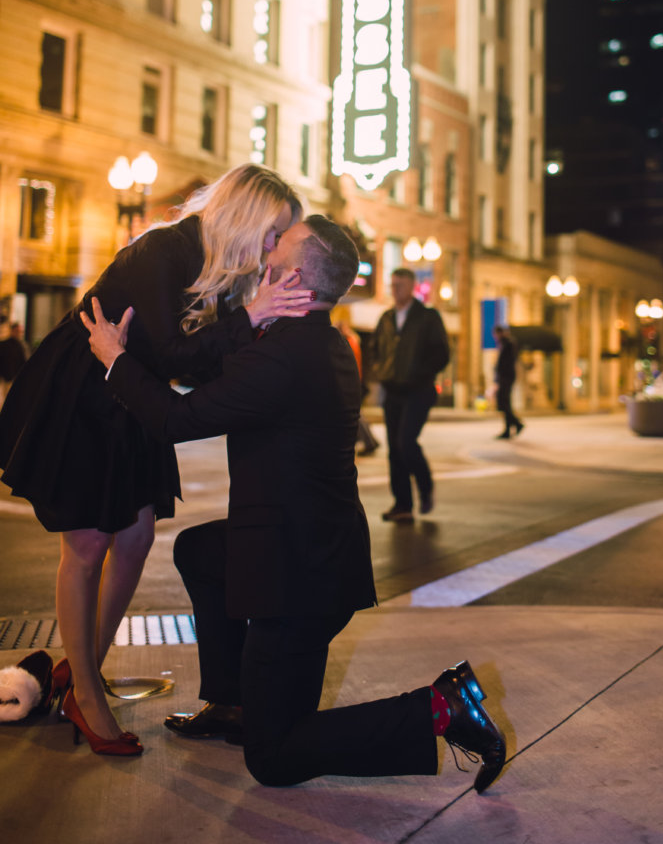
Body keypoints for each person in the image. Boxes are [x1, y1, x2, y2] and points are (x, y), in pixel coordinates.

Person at [81, 215, 506, 792]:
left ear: (297, 272)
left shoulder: (285, 357)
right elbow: (212, 368)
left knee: (274, 756)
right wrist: (245, 315)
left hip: (298, 584)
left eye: (281, 239)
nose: (269, 242)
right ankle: (233, 702)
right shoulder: (304, 342)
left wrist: (114, 358)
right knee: (202, 551)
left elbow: (175, 419)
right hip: (309, 556)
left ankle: (440, 709)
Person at [0, 163, 312, 756]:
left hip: (130, 396)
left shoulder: (218, 272)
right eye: (273, 233)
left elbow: (195, 365)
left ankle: (80, 670)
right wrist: (251, 319)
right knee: (88, 545)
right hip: (85, 391)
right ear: (245, 218)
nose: (274, 248)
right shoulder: (164, 251)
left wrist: (258, 338)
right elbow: (172, 352)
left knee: (137, 537)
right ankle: (86, 690)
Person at [372, 268, 450, 522]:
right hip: (392, 389)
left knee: (406, 443)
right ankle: (403, 505)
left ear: (413, 287)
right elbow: (375, 349)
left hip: (419, 390)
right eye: (393, 285)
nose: (396, 290)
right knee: (394, 449)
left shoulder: (427, 317)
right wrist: (380, 370)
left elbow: (442, 353)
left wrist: (420, 374)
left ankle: (425, 489)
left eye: (401, 285)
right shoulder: (386, 318)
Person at [335, 318, 380, 456]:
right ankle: (369, 441)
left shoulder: (347, 341)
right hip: (352, 381)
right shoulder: (352, 340)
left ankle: (368, 441)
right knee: (355, 414)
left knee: (353, 415)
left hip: (348, 382)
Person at [492, 325, 524, 439]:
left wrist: (499, 377)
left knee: (504, 403)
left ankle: (516, 424)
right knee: (504, 404)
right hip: (506, 377)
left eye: (496, 334)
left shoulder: (508, 344)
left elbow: (505, 364)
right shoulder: (506, 344)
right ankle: (510, 427)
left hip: (506, 378)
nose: (495, 337)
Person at [0, 320, 28, 404]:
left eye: (21, 332)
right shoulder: (4, 345)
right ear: (12, 331)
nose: (20, 334)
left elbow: (24, 361)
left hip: (16, 377)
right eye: (18, 331)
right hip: (7, 377)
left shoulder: (22, 345)